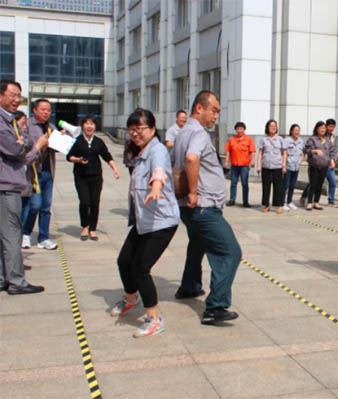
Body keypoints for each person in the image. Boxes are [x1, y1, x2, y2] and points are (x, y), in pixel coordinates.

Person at [172, 90, 241, 324]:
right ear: (199, 109)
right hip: (203, 206)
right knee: (230, 252)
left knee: (198, 243)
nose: (215, 117)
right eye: (214, 110)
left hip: (189, 208)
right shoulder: (198, 132)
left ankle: (189, 286)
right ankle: (216, 306)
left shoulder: (181, 132)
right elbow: (192, 159)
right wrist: (193, 192)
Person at [110, 109, 179, 338]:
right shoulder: (141, 152)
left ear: (151, 128)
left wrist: (157, 187)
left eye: (139, 129)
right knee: (124, 261)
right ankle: (131, 298)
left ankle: (154, 318)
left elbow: (159, 172)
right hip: (143, 220)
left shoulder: (157, 150)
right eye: (132, 130)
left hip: (161, 222)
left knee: (140, 268)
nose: (135, 134)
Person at [0, 79, 48, 295]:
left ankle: (3, 278)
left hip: (7, 184)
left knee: (4, 235)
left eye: (19, 96)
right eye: (12, 95)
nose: (16, 100)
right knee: (12, 234)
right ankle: (16, 281)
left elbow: (22, 143)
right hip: (7, 185)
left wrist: (25, 143)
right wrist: (34, 146)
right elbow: (15, 150)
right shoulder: (2, 123)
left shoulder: (9, 121)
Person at [66, 115, 120, 241]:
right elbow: (69, 157)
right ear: (82, 126)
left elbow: (106, 155)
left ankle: (93, 229)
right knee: (85, 202)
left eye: (92, 124)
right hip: (81, 177)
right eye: (87, 124)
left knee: (95, 203)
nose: (89, 126)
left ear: (95, 126)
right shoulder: (77, 141)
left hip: (96, 177)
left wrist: (114, 169)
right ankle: (85, 226)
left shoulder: (98, 142)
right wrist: (78, 160)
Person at [21, 99, 62, 250]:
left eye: (48, 110)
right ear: (35, 110)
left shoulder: (51, 127)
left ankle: (43, 238)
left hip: (48, 171)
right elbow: (25, 147)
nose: (46, 112)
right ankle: (25, 233)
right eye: (43, 109)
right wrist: (40, 145)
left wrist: (61, 139)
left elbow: (58, 148)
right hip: (33, 171)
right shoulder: (28, 126)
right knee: (34, 205)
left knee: (46, 207)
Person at [304, 121, 337, 211]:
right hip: (314, 165)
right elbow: (307, 149)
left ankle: (316, 202)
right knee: (313, 184)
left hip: (324, 165)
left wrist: (332, 160)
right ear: (317, 129)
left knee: (320, 185)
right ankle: (309, 203)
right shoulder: (312, 139)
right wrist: (315, 151)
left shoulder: (327, 140)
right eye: (320, 128)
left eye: (324, 128)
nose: (322, 130)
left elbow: (332, 151)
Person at [257, 119, 287, 214]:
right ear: (267, 128)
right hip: (266, 166)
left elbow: (284, 153)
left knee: (278, 187)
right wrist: (258, 165)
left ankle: (279, 205)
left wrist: (284, 165)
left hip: (277, 166)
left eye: (275, 126)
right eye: (271, 126)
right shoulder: (263, 140)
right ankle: (266, 205)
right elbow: (260, 153)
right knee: (266, 187)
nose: (273, 127)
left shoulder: (281, 139)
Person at [224, 121, 255, 207]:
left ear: (244, 130)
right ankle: (232, 199)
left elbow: (252, 151)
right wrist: (226, 161)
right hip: (234, 166)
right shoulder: (231, 140)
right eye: (238, 129)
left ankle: (245, 201)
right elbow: (228, 151)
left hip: (244, 166)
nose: (239, 130)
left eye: (241, 129)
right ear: (236, 130)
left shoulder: (249, 140)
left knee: (245, 183)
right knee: (233, 183)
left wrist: (252, 161)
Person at [282, 124, 304, 210]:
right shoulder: (287, 140)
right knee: (285, 185)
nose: (297, 132)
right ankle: (283, 202)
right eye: (295, 130)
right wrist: (283, 166)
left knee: (292, 185)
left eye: (298, 130)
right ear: (291, 131)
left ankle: (289, 202)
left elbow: (303, 152)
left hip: (296, 167)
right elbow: (284, 153)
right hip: (288, 166)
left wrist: (301, 160)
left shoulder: (301, 141)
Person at [325, 119, 338, 207]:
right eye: (330, 126)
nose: (331, 128)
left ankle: (331, 200)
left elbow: (335, 149)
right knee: (314, 183)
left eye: (333, 127)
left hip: (331, 164)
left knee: (333, 182)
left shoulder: (333, 137)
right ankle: (305, 196)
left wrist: (334, 159)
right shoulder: (323, 136)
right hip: (323, 163)